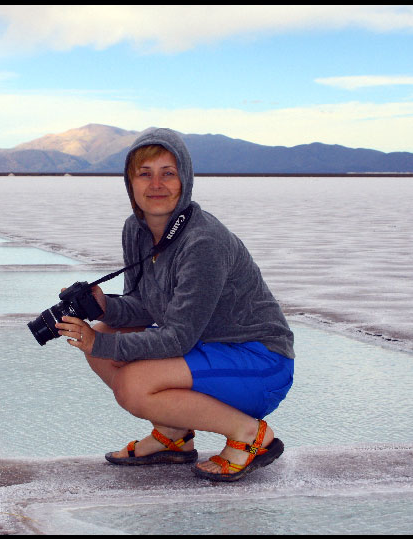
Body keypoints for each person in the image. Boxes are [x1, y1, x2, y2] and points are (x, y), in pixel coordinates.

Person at [55, 128, 294, 482]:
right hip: (206, 350)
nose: (157, 185)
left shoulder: (204, 241)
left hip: (259, 362)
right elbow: (145, 305)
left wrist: (98, 342)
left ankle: (251, 435)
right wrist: (105, 307)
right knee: (106, 335)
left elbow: (177, 338)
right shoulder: (136, 230)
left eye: (168, 173)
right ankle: (173, 435)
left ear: (186, 180)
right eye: (145, 173)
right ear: (130, 183)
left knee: (132, 383)